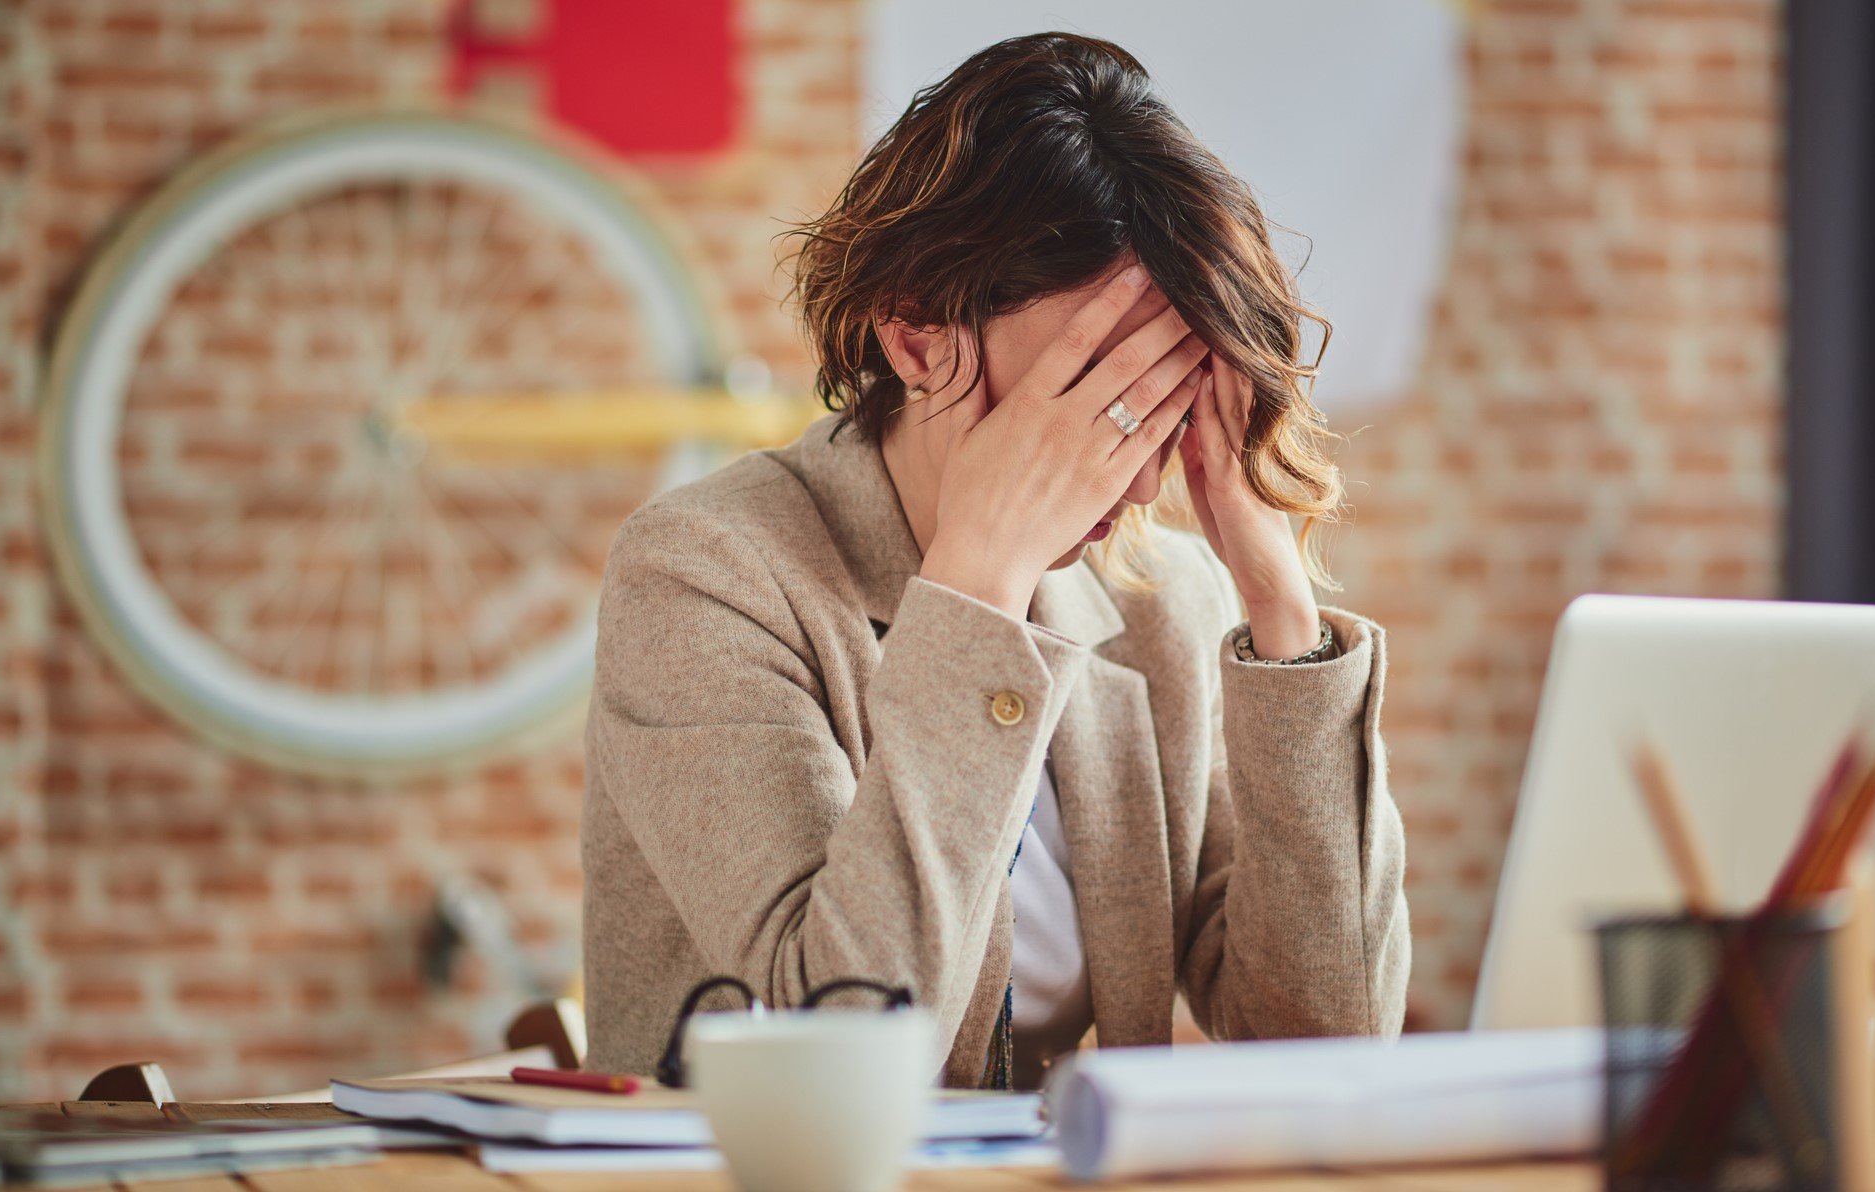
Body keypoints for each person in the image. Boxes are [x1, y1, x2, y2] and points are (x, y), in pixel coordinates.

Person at [582, 31, 1408, 1091]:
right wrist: (975, 587)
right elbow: (846, 1051)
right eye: (1098, 388)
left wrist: (1278, 603)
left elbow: (1325, 1049)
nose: (1137, 471)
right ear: (918, 340)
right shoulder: (706, 573)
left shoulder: (1163, 603)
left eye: (1170, 394)